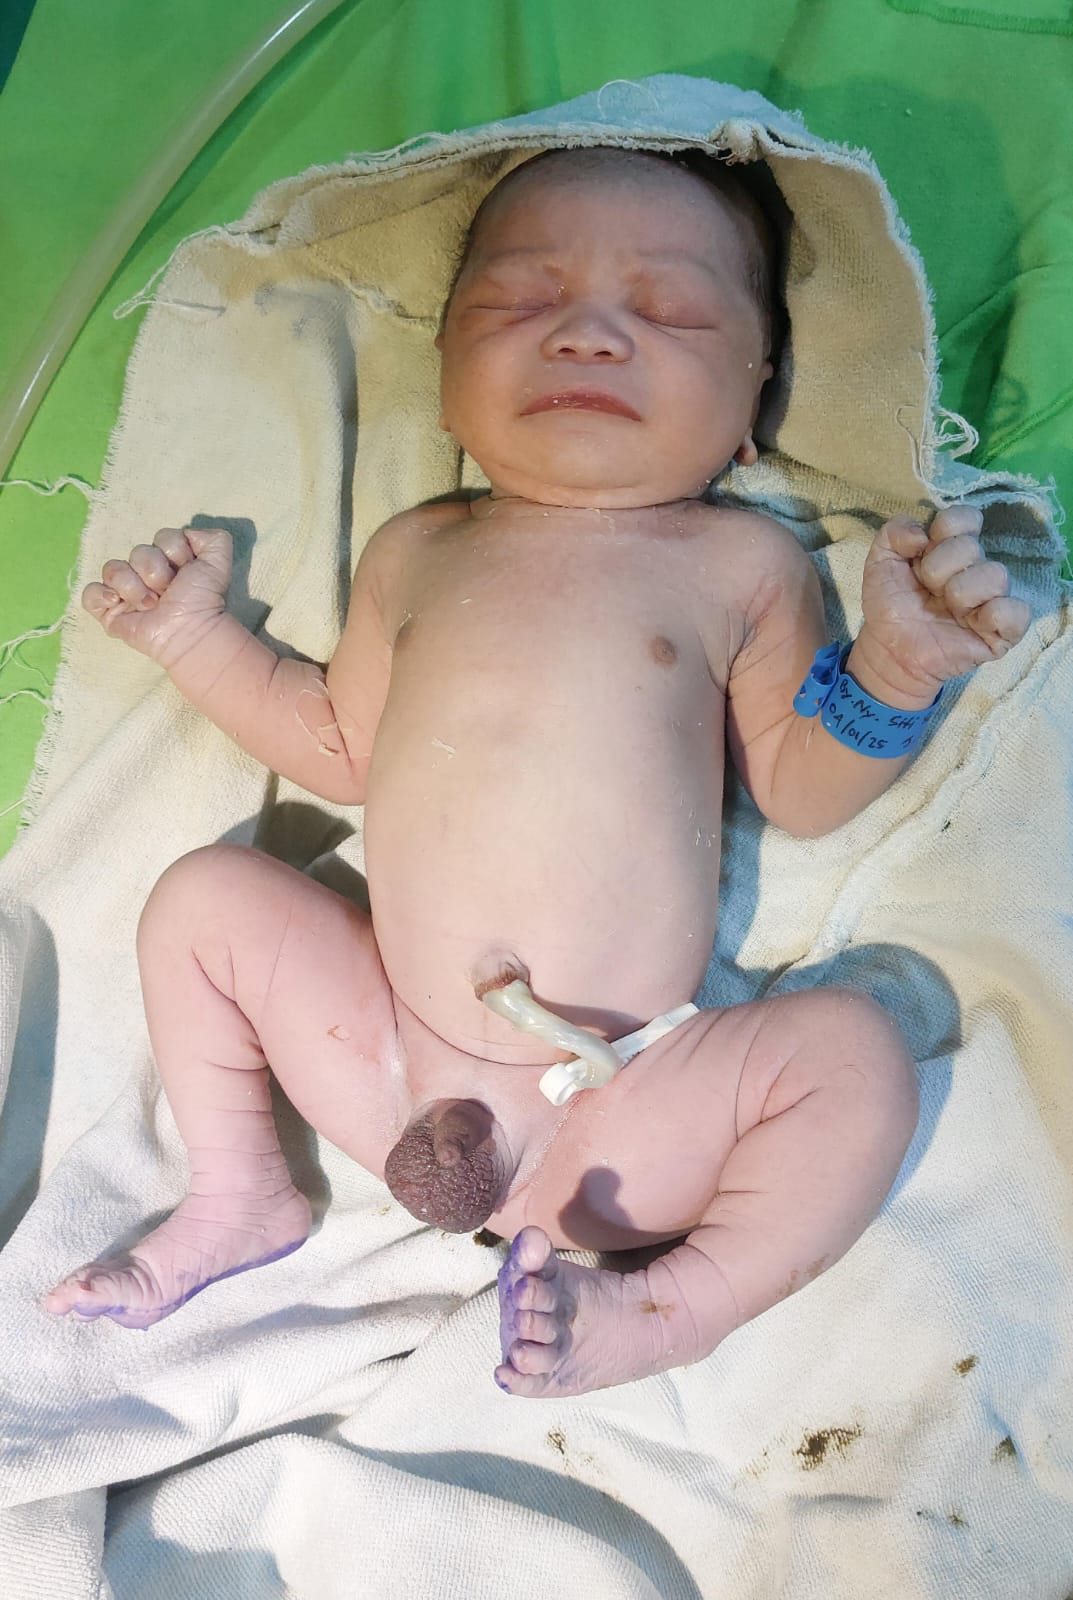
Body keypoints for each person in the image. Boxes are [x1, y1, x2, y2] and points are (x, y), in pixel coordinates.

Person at [44, 147, 1030, 1398]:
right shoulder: (416, 550)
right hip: (386, 1059)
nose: (586, 336)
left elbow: (797, 785)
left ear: (756, 392)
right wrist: (197, 639)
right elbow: (339, 747)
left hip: (622, 1108)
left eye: (669, 310)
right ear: (446, 371)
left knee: (852, 1054)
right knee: (202, 900)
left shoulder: (736, 567)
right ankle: (240, 1190)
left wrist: (891, 671)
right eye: (519, 300)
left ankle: (669, 1307)